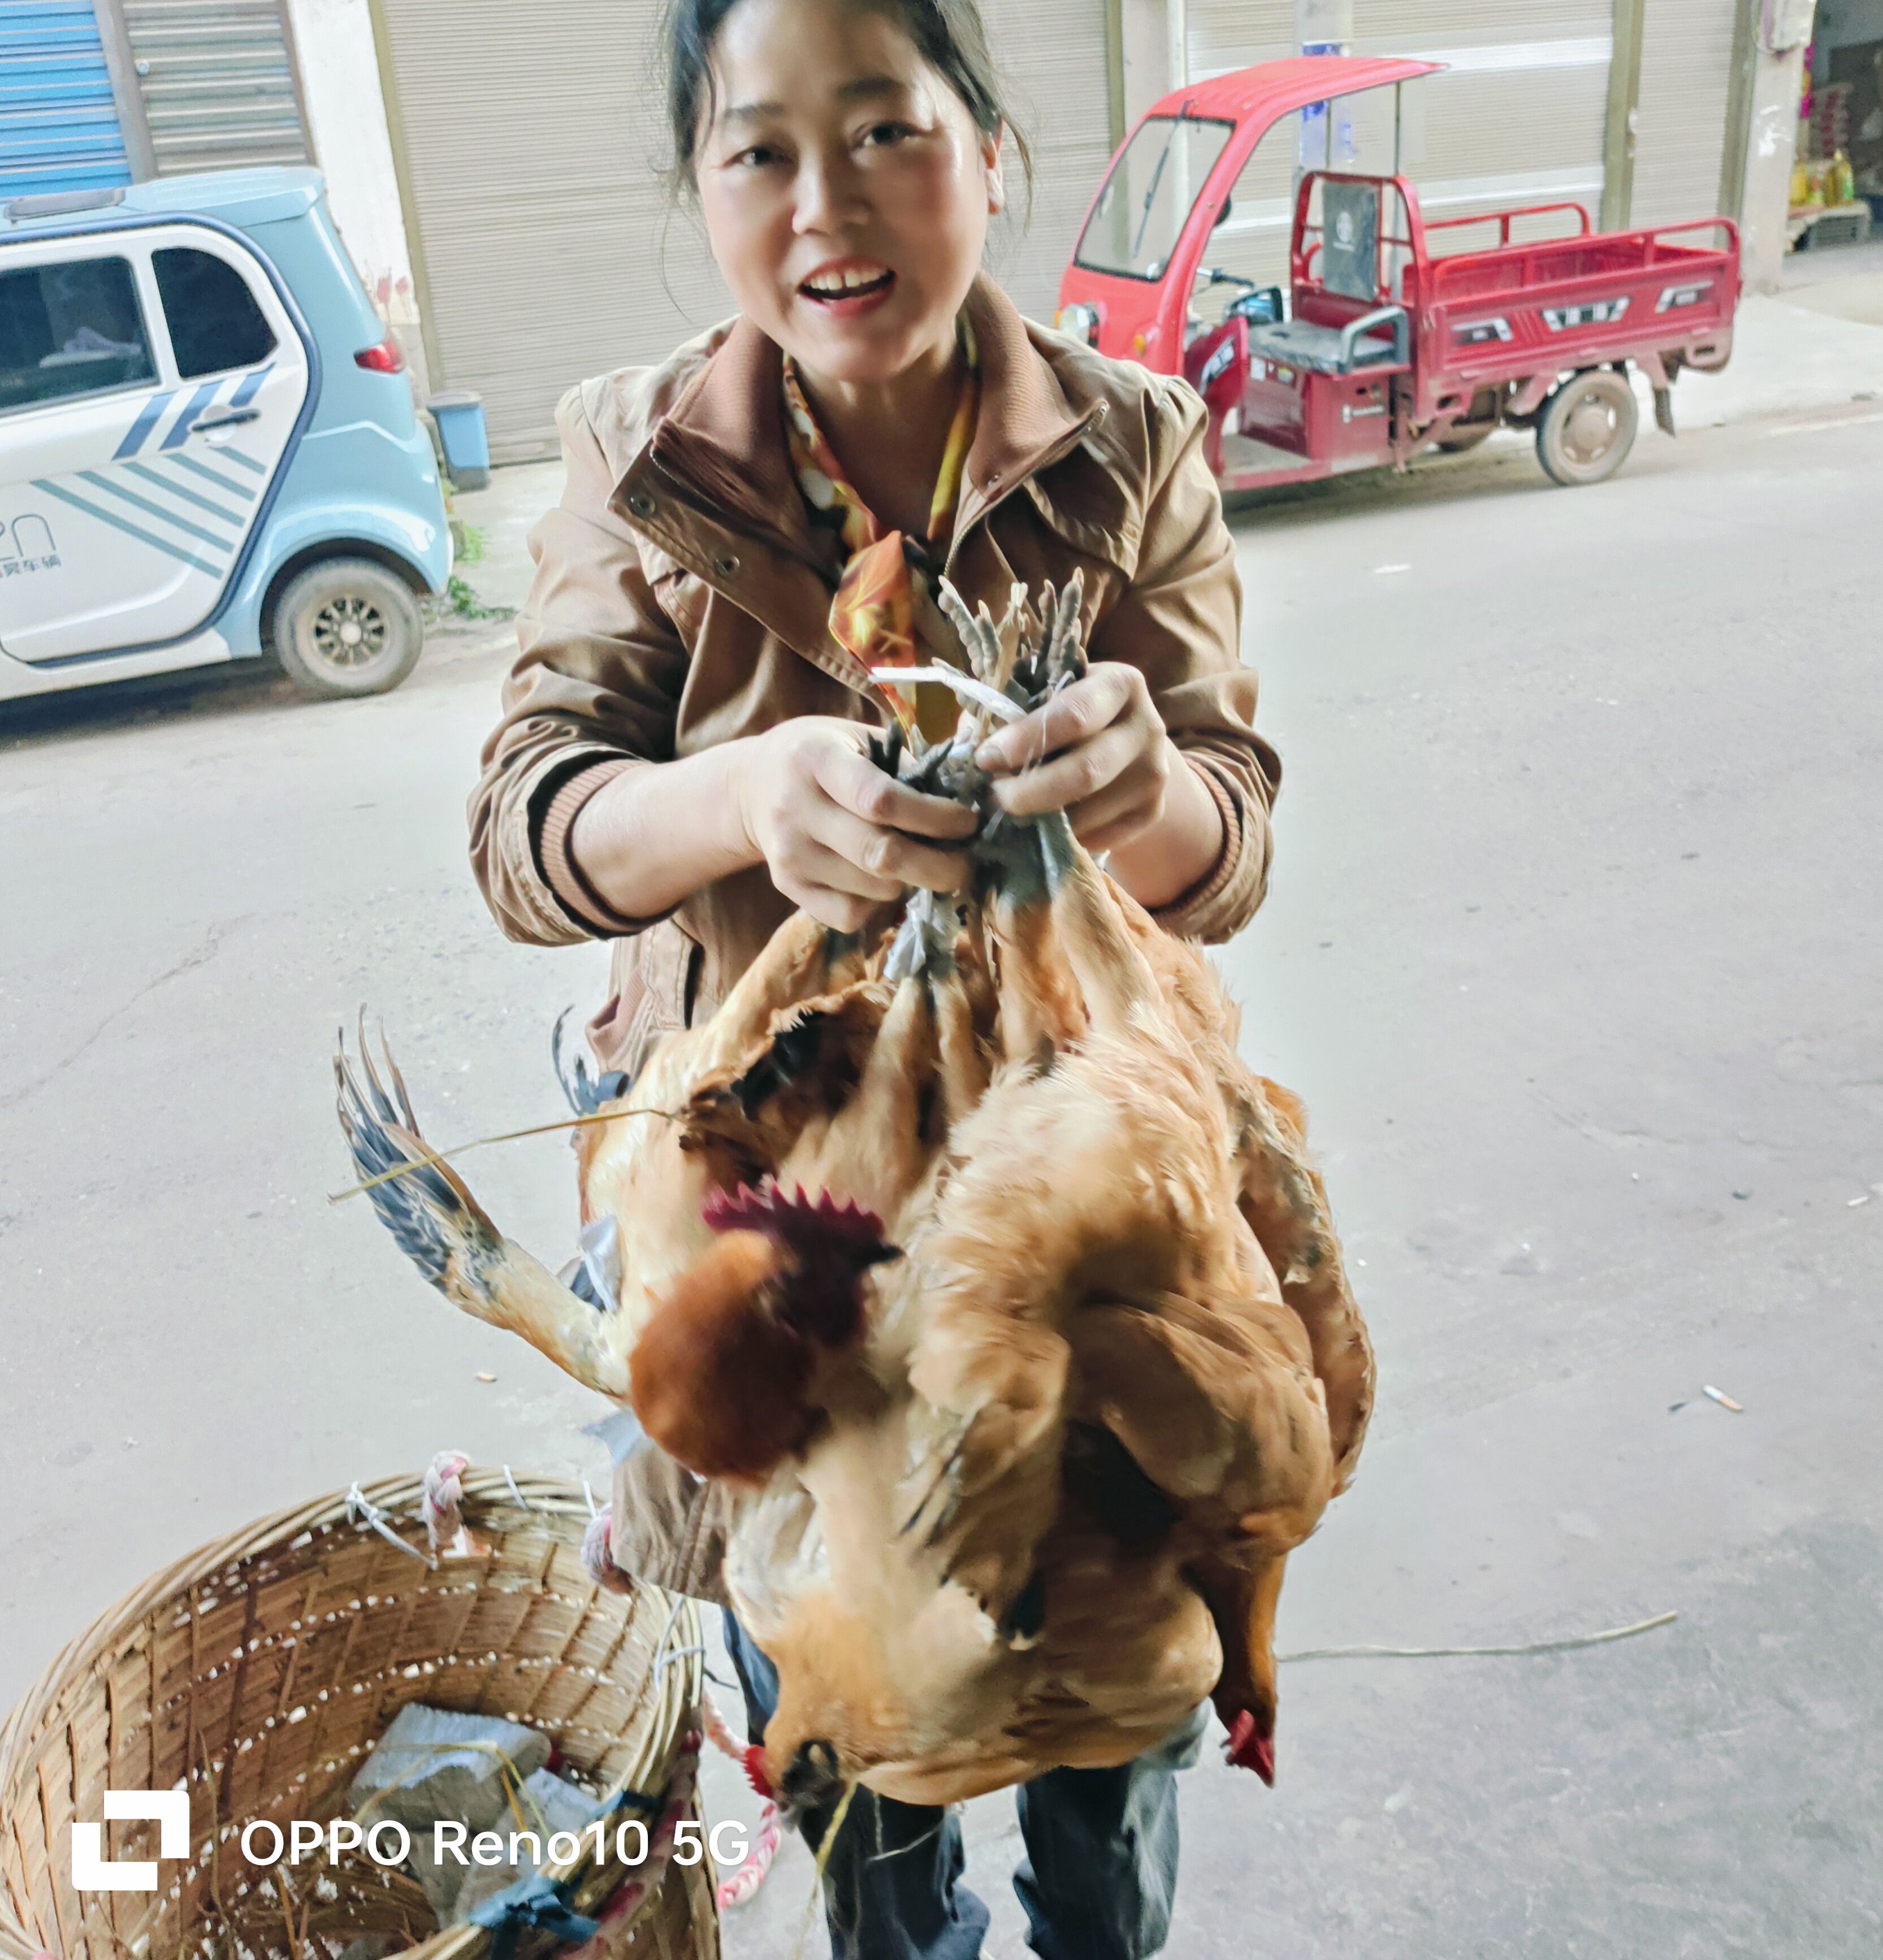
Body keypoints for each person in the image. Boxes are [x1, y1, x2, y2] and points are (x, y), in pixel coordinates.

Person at [467, 0, 1281, 1952]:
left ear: (988, 148)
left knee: (1105, 1714)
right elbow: (528, 828)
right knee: (851, 1747)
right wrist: (741, 799)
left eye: (884, 130)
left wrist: (1145, 790)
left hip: (1071, 1223)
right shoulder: (637, 455)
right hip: (776, 1249)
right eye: (759, 151)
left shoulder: (1129, 444)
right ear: (702, 188)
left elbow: (1233, 845)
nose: (826, 204)